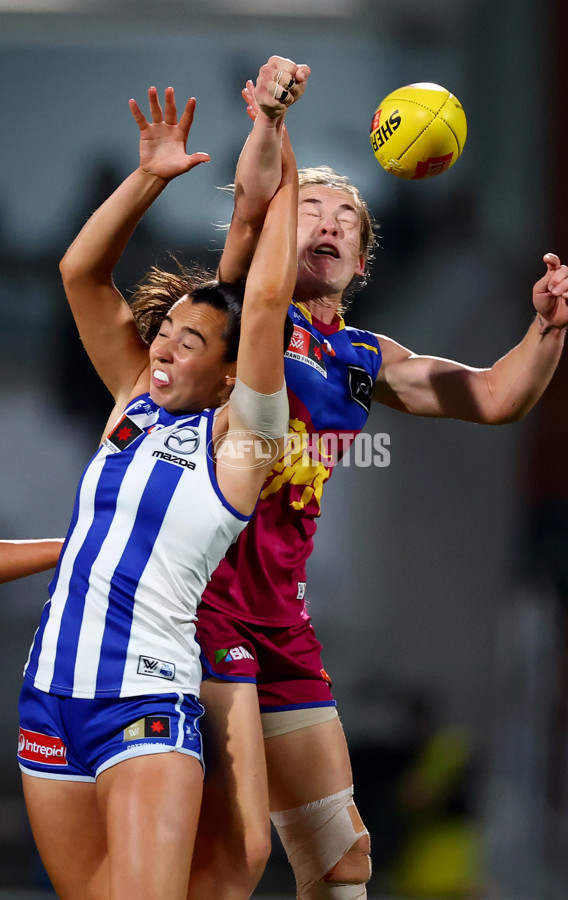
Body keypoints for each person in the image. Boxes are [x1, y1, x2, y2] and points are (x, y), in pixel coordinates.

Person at [184, 57, 568, 900]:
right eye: (311, 213)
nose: (325, 225)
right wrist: (271, 123)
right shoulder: (235, 313)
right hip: (196, 602)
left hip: (281, 619)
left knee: (343, 862)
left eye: (345, 222)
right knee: (232, 854)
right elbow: (258, 196)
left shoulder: (366, 359)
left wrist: (544, 331)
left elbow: (491, 396)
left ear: (363, 263)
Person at [16, 84, 297, 900]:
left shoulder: (238, 441)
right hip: (47, 697)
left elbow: (269, 299)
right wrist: (151, 178)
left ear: (230, 372)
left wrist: (273, 131)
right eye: (165, 329)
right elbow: (79, 272)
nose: (166, 347)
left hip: (143, 700)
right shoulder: (133, 401)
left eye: (191, 340)